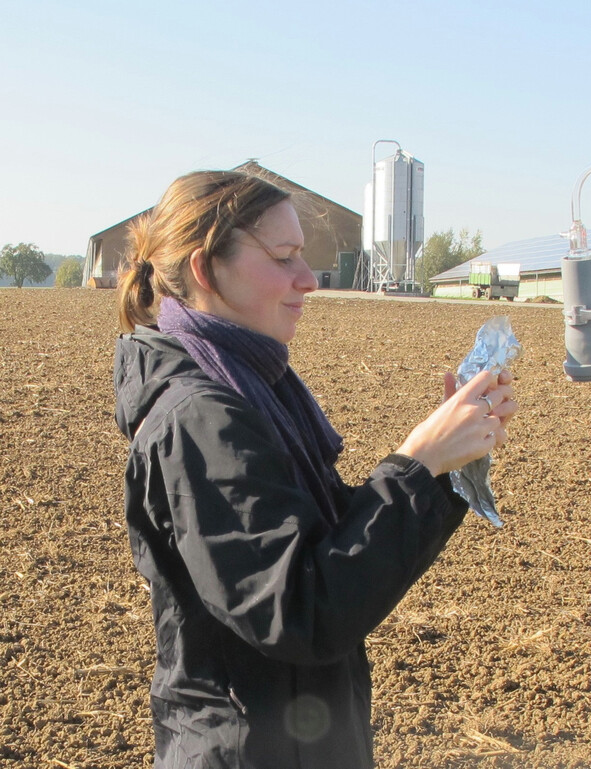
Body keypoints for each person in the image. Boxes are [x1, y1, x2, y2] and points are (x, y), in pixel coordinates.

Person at [113, 169, 516, 768]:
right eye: (284, 257)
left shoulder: (251, 386)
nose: (308, 279)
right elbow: (299, 608)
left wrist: (443, 463)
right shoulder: (201, 418)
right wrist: (418, 461)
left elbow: (324, 551)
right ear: (205, 270)